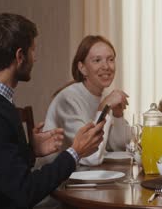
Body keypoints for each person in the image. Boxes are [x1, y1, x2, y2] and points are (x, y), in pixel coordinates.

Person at [0, 13, 104, 209]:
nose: (35, 58)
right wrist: (75, 152)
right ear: (20, 56)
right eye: (33, 51)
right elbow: (25, 190)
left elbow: (0, 170)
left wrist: (30, 150)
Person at [39, 35, 129, 167]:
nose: (106, 66)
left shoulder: (101, 95)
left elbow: (118, 147)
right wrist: (103, 109)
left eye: (110, 59)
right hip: (58, 181)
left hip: (85, 176)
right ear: (82, 68)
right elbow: (91, 158)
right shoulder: (68, 99)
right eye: (97, 60)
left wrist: (118, 115)